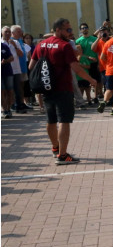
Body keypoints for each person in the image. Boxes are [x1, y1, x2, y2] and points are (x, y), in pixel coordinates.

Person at [29, 18, 97, 164]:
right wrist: (91, 80)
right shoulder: (64, 46)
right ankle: (63, 155)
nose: (70, 32)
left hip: (47, 87)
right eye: (68, 29)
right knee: (64, 121)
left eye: (71, 29)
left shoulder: (41, 44)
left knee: (51, 119)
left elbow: (31, 66)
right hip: (63, 88)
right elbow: (76, 67)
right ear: (58, 30)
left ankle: (55, 148)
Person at [1, 26, 24, 114]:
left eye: (9, 32)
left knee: (15, 90)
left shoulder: (15, 42)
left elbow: (21, 54)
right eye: (6, 32)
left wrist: (14, 46)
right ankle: (6, 109)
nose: (8, 33)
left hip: (15, 69)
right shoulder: (1, 43)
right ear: (2, 33)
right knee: (3, 91)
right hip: (4, 71)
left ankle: (17, 106)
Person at [76, 23, 100, 105]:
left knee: (95, 80)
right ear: (80, 30)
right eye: (82, 28)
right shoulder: (78, 41)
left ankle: (95, 97)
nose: (84, 29)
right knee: (84, 83)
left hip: (93, 63)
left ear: (88, 29)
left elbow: (98, 50)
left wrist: (98, 62)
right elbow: (79, 53)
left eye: (86, 27)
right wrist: (88, 57)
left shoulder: (93, 39)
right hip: (84, 64)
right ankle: (87, 99)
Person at [1, 40, 14, 118]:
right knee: (1, 92)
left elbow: (12, 58)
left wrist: (5, 61)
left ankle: (9, 109)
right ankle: (5, 110)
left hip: (8, 72)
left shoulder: (4, 46)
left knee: (10, 91)